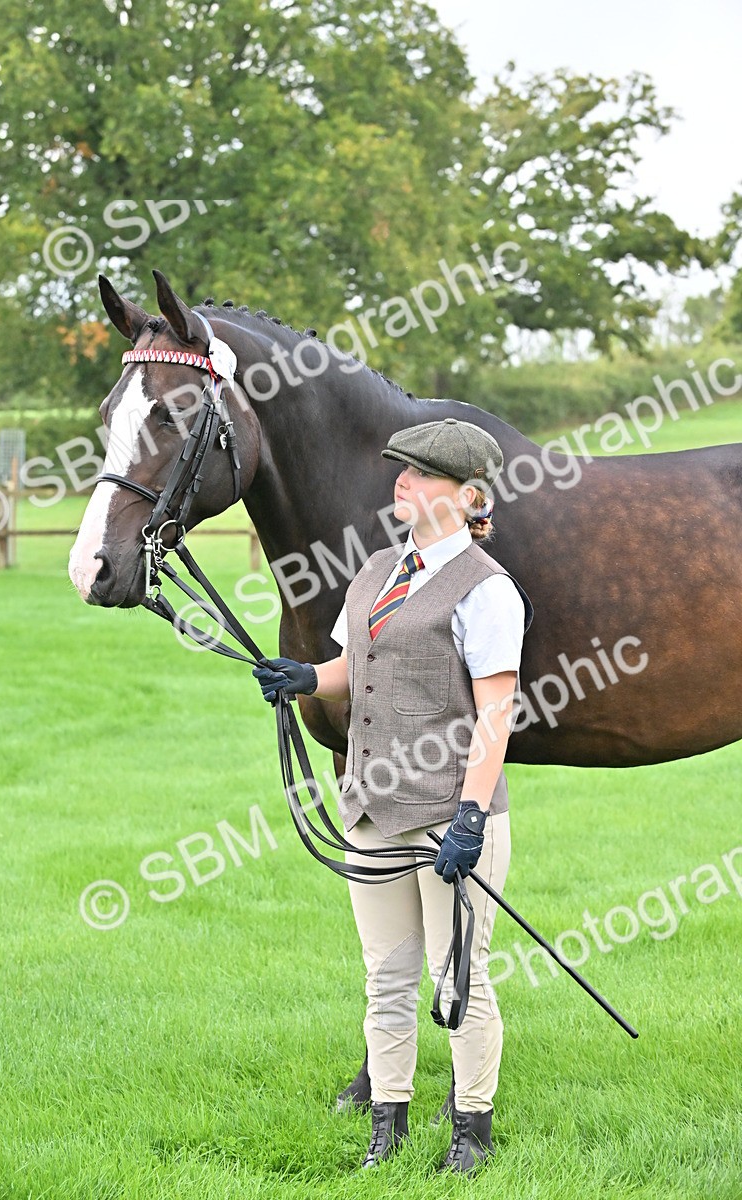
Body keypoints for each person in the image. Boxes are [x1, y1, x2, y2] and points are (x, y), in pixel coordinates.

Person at [253, 417, 533, 1174]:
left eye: (421, 472)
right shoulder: (376, 569)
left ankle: (470, 1132)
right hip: (372, 809)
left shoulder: (488, 591)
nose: (400, 480)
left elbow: (496, 713)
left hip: (450, 818)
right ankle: (389, 1127)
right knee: (385, 975)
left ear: (468, 495)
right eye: (400, 468)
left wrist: (471, 817)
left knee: (458, 979)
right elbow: (358, 664)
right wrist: (309, 677)